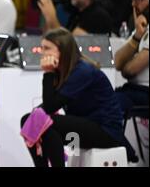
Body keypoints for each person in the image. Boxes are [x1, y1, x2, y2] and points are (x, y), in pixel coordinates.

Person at [20, 27, 133, 167]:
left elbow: (50, 107)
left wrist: (48, 73)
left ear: (63, 51)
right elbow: (49, 106)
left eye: (47, 48)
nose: (42, 52)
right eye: (41, 47)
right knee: (29, 120)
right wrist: (33, 117)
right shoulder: (62, 70)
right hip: (86, 126)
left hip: (106, 131)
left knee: (45, 123)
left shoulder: (82, 71)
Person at [114, 0, 149, 114]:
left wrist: (125, 68)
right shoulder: (139, 29)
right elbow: (117, 62)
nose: (134, 4)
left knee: (107, 107)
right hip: (132, 90)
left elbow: (130, 70)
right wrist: (136, 37)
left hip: (144, 93)